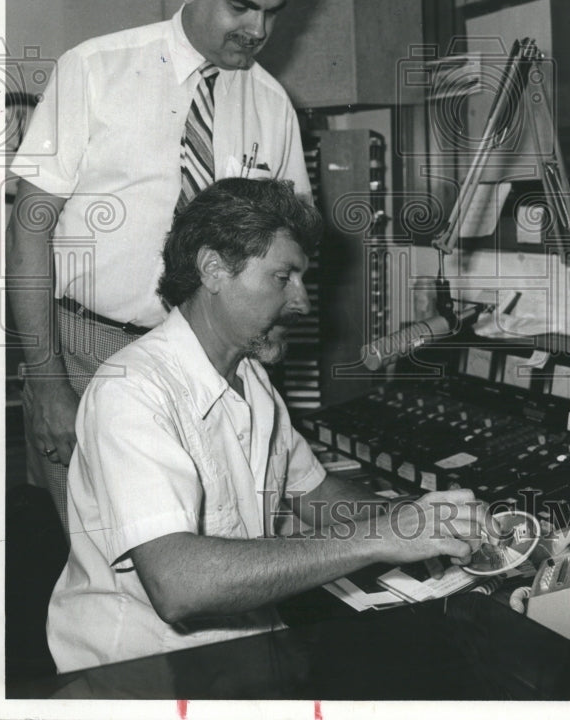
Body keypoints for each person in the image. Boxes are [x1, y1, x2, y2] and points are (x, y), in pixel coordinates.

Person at [46, 179, 485, 671]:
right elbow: (178, 586)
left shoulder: (250, 378)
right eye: (284, 278)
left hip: (248, 653)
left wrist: (429, 518)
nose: (303, 303)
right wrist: (383, 535)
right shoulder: (133, 393)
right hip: (144, 671)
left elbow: (315, 495)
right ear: (213, 269)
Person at [6, 0, 310, 531]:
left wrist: (271, 329)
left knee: (218, 560)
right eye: (240, 5)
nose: (257, 31)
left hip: (220, 360)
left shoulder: (272, 104)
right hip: (91, 352)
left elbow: (285, 249)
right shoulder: (95, 70)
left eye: (272, 13)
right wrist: (47, 383)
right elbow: (29, 230)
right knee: (108, 569)